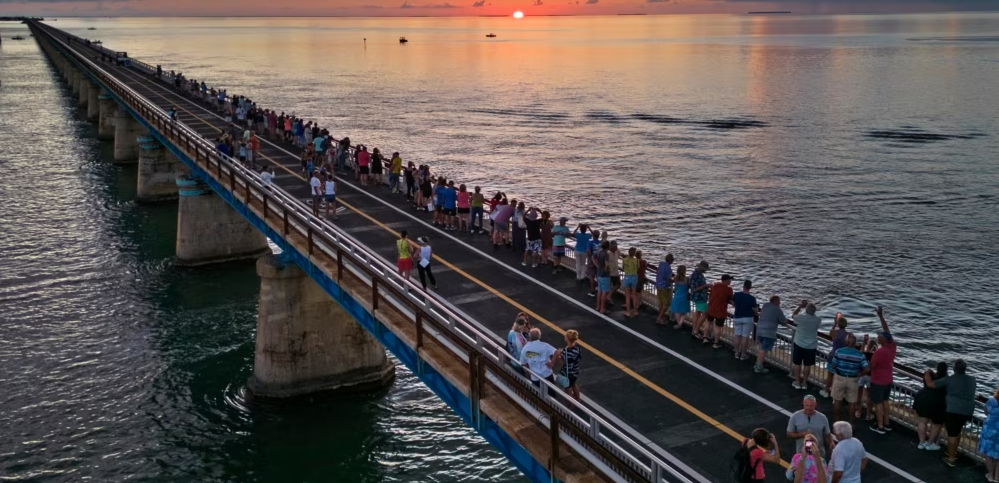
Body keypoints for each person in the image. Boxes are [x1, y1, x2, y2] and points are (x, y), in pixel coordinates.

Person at [923, 358, 977, 466]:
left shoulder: (950, 379)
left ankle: (951, 459)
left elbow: (931, 385)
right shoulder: (972, 379)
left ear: (954, 369)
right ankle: (953, 452)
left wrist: (927, 374)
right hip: (967, 410)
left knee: (952, 434)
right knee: (958, 432)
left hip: (953, 410)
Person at [826, 333, 868, 424]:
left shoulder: (839, 351)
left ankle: (836, 422)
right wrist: (860, 374)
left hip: (840, 377)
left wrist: (839, 368)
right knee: (852, 402)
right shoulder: (860, 355)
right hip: (853, 380)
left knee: (837, 400)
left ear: (847, 342)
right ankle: (851, 423)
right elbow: (867, 368)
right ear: (854, 343)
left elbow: (833, 365)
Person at [867, 306, 896, 434]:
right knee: (885, 401)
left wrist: (861, 372)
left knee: (878, 403)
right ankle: (887, 423)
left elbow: (871, 366)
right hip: (888, 379)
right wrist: (880, 315)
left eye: (879, 337)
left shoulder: (879, 352)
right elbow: (887, 330)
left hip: (878, 381)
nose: (877, 338)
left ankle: (880, 426)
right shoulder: (892, 346)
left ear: (884, 340)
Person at [913, 361, 947, 451]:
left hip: (923, 398)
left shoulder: (930, 375)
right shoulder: (946, 380)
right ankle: (930, 443)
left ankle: (921, 442)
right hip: (938, 402)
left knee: (922, 421)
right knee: (937, 424)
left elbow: (927, 378)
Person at [791, 301, 822, 390]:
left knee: (797, 363)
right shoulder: (818, 320)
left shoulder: (801, 318)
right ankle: (804, 383)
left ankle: (797, 381)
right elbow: (815, 319)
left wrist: (800, 306)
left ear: (806, 310)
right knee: (807, 365)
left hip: (799, 343)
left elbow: (793, 315)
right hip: (811, 346)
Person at [755, 295, 789, 373]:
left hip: (759, 329)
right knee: (763, 350)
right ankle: (759, 367)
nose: (780, 303)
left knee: (761, 349)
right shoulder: (777, 309)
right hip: (768, 333)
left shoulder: (765, 305)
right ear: (776, 301)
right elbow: (783, 321)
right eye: (779, 301)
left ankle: (758, 364)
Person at [821, 315, 849, 399]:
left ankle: (826, 391)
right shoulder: (848, 335)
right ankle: (836, 394)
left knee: (830, 375)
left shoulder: (835, 332)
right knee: (839, 377)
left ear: (838, 324)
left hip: (833, 355)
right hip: (842, 357)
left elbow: (830, 333)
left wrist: (834, 323)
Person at [731, 280, 758, 360]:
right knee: (745, 337)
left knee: (737, 335)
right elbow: (756, 310)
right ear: (750, 288)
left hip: (737, 317)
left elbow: (733, 303)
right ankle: (743, 354)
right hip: (748, 318)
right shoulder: (752, 298)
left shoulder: (736, 295)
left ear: (743, 286)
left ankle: (736, 353)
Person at [706, 274, 733, 348]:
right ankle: (716, 343)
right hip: (720, 311)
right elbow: (730, 298)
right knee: (718, 327)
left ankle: (705, 337)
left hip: (711, 308)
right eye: (729, 280)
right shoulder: (728, 289)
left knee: (708, 322)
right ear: (726, 280)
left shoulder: (714, 286)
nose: (730, 281)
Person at [979, 386, 999, 483]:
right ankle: (997, 477)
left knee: (988, 453)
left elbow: (986, 412)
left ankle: (990, 475)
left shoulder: (992, 401)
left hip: (990, 429)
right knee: (997, 453)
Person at [689, 261, 710, 340]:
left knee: (697, 313)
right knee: (704, 314)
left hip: (698, 297)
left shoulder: (698, 274)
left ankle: (694, 329)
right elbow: (694, 289)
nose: (705, 271)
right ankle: (696, 330)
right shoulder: (696, 276)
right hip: (700, 297)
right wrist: (705, 286)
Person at [561, 329, 582, 400]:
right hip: (575, 371)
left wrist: (558, 355)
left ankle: (570, 405)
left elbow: (563, 362)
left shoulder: (566, 351)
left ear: (567, 338)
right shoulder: (577, 347)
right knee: (574, 384)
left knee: (568, 388)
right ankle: (578, 399)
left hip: (568, 373)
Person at [655, 254, 675, 325]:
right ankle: (659, 318)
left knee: (661, 302)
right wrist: (675, 279)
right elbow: (669, 279)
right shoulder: (668, 268)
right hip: (664, 287)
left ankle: (661, 316)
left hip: (658, 285)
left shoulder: (661, 264)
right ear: (670, 260)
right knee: (666, 303)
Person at [592, 241, 612, 314]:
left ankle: (598, 306)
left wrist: (597, 266)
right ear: (607, 247)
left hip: (599, 274)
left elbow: (593, 257)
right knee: (604, 292)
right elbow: (607, 265)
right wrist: (608, 270)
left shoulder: (599, 252)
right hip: (605, 275)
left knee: (599, 291)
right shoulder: (606, 254)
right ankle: (602, 308)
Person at [622, 247, 640, 317]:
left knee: (627, 296)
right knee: (634, 295)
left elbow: (623, 268)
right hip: (634, 278)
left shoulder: (625, 260)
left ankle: (628, 312)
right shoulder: (637, 260)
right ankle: (635, 311)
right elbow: (637, 268)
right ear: (634, 253)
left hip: (627, 277)